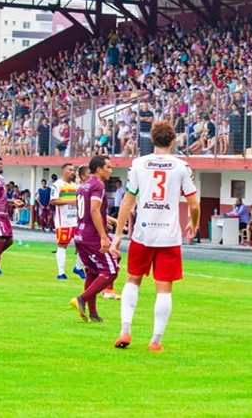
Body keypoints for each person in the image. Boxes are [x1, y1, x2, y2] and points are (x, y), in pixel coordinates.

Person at [110, 121, 201, 352]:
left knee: (133, 280)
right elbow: (194, 203)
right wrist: (194, 222)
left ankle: (125, 330)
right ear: (173, 141)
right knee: (164, 288)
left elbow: (128, 200)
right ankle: (155, 340)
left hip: (143, 232)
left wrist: (118, 234)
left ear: (152, 140)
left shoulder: (138, 164)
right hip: (169, 235)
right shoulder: (181, 166)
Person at [70, 155, 118, 323]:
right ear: (99, 169)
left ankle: (94, 314)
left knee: (93, 271)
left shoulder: (84, 186)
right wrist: (104, 236)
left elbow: (90, 211)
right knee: (111, 271)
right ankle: (81, 299)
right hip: (92, 237)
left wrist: (105, 222)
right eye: (108, 167)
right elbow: (94, 210)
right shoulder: (98, 185)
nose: (111, 170)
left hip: (80, 234)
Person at [51, 163, 83, 280]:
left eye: (73, 170)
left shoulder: (76, 186)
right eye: (70, 170)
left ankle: (78, 267)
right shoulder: (57, 185)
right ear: (64, 171)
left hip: (76, 220)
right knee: (62, 245)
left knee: (82, 244)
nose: (73, 172)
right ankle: (61, 272)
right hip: (63, 221)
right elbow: (53, 201)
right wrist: (70, 202)